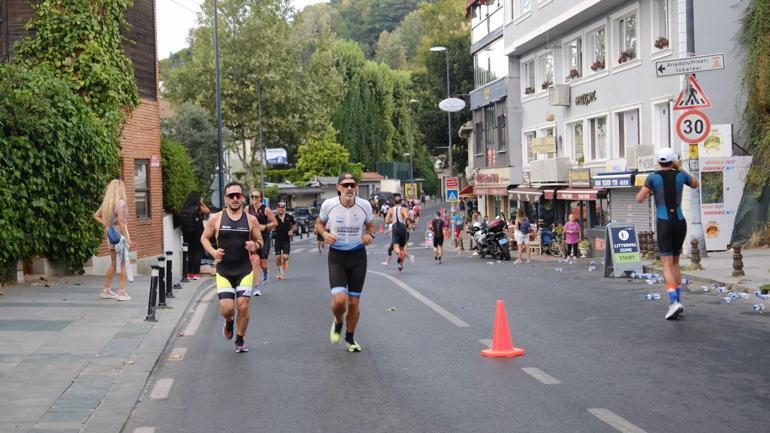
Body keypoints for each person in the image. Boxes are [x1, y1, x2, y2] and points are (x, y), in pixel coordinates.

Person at [636, 147, 699, 320]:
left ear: (658, 161)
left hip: (664, 223)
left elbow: (639, 198)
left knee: (666, 264)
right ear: (673, 161)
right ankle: (678, 300)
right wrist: (679, 168)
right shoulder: (681, 175)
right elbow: (695, 183)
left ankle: (673, 302)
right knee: (676, 262)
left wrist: (652, 191)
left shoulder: (653, 177)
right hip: (680, 222)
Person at [201, 181, 264, 353]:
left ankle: (240, 339)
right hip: (224, 271)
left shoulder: (251, 220)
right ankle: (229, 321)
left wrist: (255, 246)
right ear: (226, 198)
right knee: (227, 309)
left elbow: (260, 241)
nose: (235, 199)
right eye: (231, 196)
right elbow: (204, 238)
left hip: (244, 269)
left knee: (243, 305)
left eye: (238, 195)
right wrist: (213, 252)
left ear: (242, 197)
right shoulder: (217, 219)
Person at [316, 173, 375, 352]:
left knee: (354, 303)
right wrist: (325, 234)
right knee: (340, 300)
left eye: (352, 185)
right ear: (339, 188)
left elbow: (370, 225)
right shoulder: (329, 205)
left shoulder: (364, 205)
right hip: (337, 257)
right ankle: (338, 321)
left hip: (358, 257)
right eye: (345, 185)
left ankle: (350, 338)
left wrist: (369, 235)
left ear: (356, 187)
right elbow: (319, 223)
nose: (349, 188)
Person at [93, 179, 136, 301]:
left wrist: (107, 224)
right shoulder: (121, 203)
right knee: (123, 263)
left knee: (113, 263)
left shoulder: (107, 203)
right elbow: (121, 221)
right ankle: (122, 292)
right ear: (120, 189)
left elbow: (96, 215)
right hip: (121, 235)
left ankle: (105, 289)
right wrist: (127, 239)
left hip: (110, 234)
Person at [247, 189, 277, 289]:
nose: (253, 199)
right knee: (254, 261)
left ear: (260, 198)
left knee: (263, 264)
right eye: (252, 197)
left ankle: (265, 272)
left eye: (256, 197)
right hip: (253, 239)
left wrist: (265, 227)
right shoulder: (247, 209)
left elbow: (275, 222)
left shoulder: (265, 210)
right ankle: (256, 286)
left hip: (264, 238)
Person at [179, 192, 210, 280]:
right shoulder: (198, 208)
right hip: (198, 233)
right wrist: (201, 202)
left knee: (188, 252)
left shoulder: (185, 208)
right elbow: (208, 211)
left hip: (187, 233)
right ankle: (196, 274)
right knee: (197, 252)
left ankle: (188, 273)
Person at [385, 193, 411, 272]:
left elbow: (386, 221)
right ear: (401, 202)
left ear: (394, 202)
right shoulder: (404, 209)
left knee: (396, 247)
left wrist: (392, 220)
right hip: (402, 228)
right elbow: (406, 217)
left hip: (395, 228)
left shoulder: (390, 210)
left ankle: (398, 254)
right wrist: (409, 224)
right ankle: (400, 265)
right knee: (402, 248)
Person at [273, 202, 296, 280]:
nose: (281, 209)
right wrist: (273, 228)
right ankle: (281, 273)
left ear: (284, 209)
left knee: (285, 257)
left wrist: (292, 230)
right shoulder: (275, 218)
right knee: (278, 258)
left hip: (286, 240)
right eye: (279, 207)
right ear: (277, 209)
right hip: (277, 240)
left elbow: (295, 225)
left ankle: (284, 262)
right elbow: (272, 226)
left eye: (282, 207)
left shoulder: (289, 217)